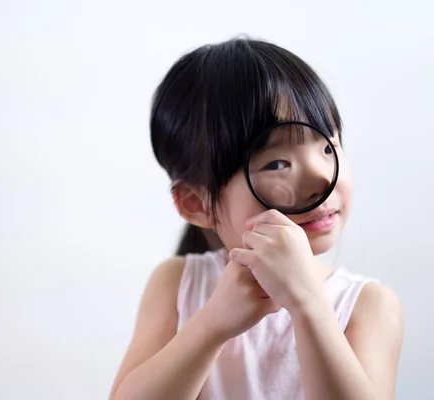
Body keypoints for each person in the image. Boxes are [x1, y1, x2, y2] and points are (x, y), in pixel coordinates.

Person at [109, 37, 404, 400]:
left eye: (328, 147)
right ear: (196, 204)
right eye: (277, 163)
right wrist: (213, 324)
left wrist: (307, 302)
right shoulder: (178, 285)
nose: (322, 180)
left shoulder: (368, 305)